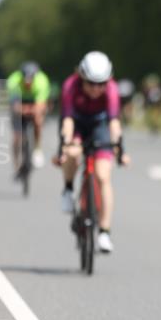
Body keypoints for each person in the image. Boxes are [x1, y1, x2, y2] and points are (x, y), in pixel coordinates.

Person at [53, 51, 130, 253]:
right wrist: (66, 144)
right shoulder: (70, 86)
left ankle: (104, 232)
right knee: (73, 153)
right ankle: (68, 188)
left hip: (100, 125)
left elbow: (114, 123)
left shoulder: (111, 89)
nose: (96, 89)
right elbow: (68, 120)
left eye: (101, 84)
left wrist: (119, 148)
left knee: (104, 176)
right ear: (81, 78)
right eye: (91, 84)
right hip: (77, 123)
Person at [6, 61, 51, 172]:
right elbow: (14, 106)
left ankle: (37, 148)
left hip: (34, 101)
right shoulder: (13, 81)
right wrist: (21, 109)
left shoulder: (42, 81)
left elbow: (40, 107)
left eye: (30, 80)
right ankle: (16, 164)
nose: (28, 83)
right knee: (16, 137)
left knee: (38, 120)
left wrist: (31, 110)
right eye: (26, 80)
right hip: (19, 101)